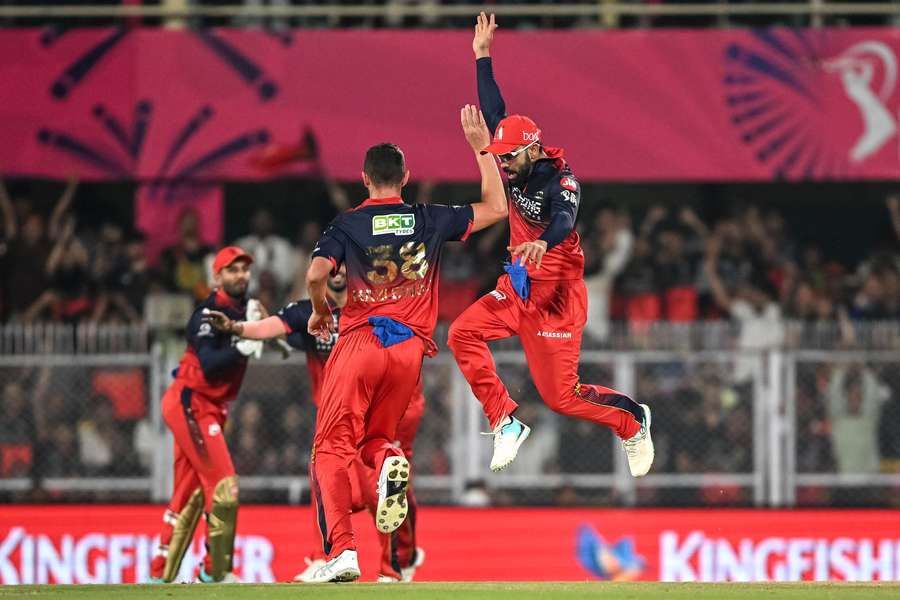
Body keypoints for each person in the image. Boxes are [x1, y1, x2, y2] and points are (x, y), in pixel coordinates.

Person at [266, 106, 505, 582]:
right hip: (411, 352)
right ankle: (391, 463)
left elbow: (316, 274)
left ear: (364, 179)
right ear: (406, 177)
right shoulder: (429, 219)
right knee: (377, 440)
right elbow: (497, 208)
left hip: (360, 343)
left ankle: (342, 552)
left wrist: (317, 310)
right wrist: (483, 147)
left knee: (330, 449)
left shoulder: (348, 224)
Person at [447, 13, 654, 477]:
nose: (505, 165)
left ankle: (632, 421)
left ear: (535, 149)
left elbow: (563, 219)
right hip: (520, 286)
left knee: (562, 397)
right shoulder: (514, 149)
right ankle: (504, 420)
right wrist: (482, 55)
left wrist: (542, 242)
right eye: (500, 157)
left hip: (557, 298)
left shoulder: (562, 180)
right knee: (461, 333)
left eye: (510, 158)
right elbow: (494, 106)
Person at [205, 265, 427, 582]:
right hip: (333, 415)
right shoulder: (309, 312)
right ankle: (324, 556)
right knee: (326, 480)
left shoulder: (372, 306)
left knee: (376, 491)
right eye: (332, 265)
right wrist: (236, 327)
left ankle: (391, 566)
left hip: (368, 414)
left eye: (345, 264)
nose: (338, 271)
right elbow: (272, 326)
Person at [148, 246, 263, 584]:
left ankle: (158, 576)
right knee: (223, 486)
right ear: (217, 277)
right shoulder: (207, 313)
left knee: (189, 492)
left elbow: (276, 327)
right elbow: (211, 366)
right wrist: (243, 342)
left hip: (208, 408)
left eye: (244, 269)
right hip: (191, 402)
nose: (240, 275)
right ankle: (215, 572)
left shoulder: (247, 311)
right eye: (232, 270)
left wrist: (274, 335)